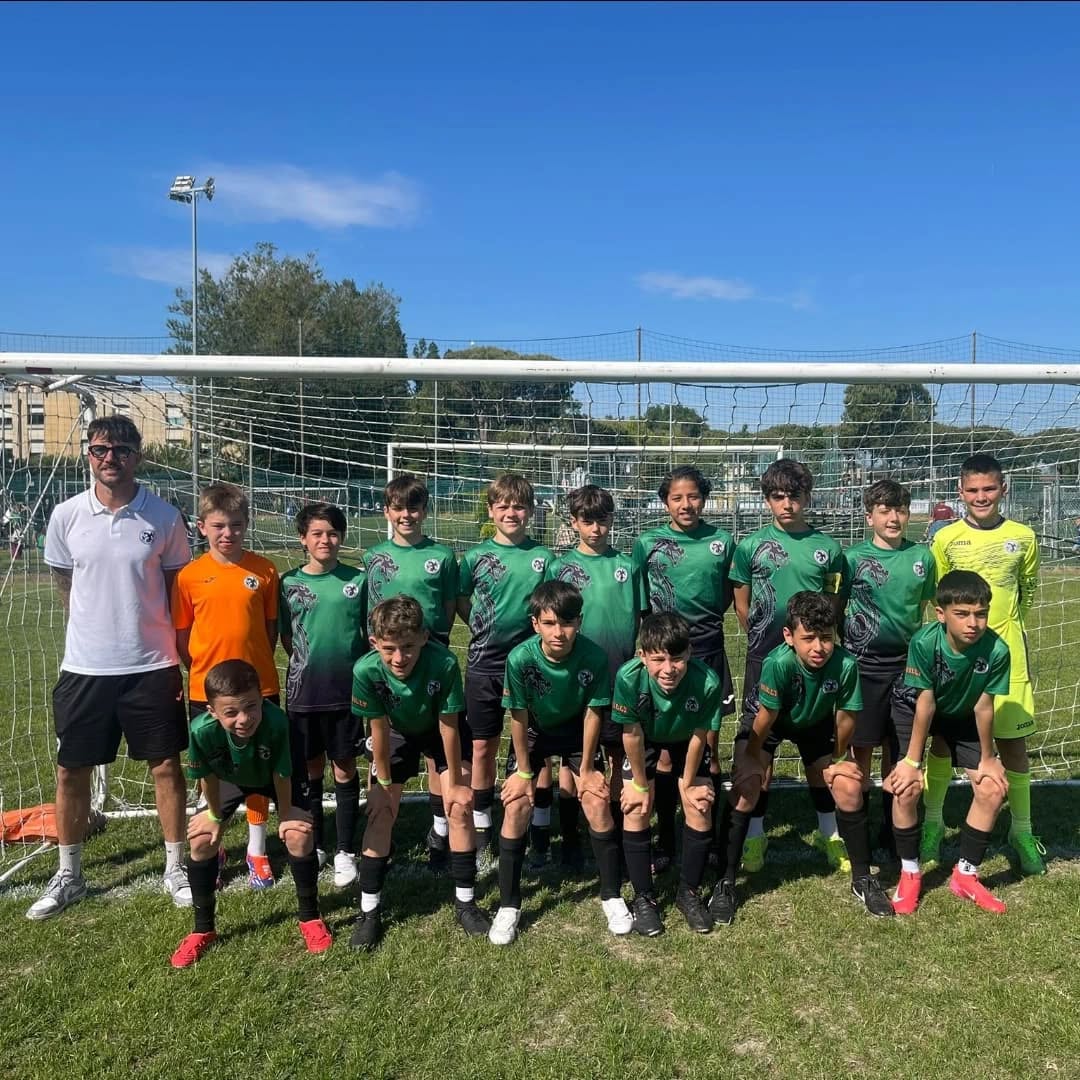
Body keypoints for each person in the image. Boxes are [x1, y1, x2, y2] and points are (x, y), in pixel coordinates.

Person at [27, 415, 192, 920]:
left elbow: (176, 589)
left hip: (152, 664)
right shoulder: (66, 515)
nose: (110, 458)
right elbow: (64, 581)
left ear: (138, 455)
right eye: (100, 449)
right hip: (85, 667)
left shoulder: (164, 517)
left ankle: (176, 866)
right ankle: (70, 873)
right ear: (88, 455)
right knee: (70, 770)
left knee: (165, 766)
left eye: (120, 449)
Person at [717, 592, 886, 925]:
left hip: (815, 723)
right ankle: (725, 882)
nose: (819, 647)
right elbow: (767, 715)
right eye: (808, 638)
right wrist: (751, 757)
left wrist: (839, 758)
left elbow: (847, 716)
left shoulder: (845, 664)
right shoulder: (778, 663)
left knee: (849, 785)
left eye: (826, 638)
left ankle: (863, 878)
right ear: (789, 636)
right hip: (768, 724)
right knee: (747, 784)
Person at [489, 581, 631, 945]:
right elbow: (518, 716)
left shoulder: (594, 657)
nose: (559, 632)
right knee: (517, 805)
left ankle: (612, 896)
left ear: (579, 621)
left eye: (567, 623)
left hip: (575, 730)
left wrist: (587, 769)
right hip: (534, 731)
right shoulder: (520, 659)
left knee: (597, 801)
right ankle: (509, 905)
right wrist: (523, 772)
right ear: (535, 623)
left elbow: (593, 714)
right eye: (550, 623)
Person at [925, 454, 1043, 875]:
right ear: (960, 492)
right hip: (956, 658)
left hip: (1006, 653)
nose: (981, 497)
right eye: (973, 490)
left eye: (989, 489)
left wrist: (1005, 631)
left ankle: (1022, 830)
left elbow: (1027, 591)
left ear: (1003, 489)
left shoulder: (1024, 537)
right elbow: (939, 594)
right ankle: (933, 824)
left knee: (1012, 744)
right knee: (943, 741)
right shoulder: (945, 539)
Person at [170, 660, 331, 966]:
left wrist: (286, 814)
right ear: (212, 711)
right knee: (201, 840)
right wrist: (214, 816)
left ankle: (310, 917)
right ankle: (203, 929)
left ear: (262, 699)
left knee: (298, 835)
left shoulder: (277, 722)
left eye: (251, 707)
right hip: (230, 776)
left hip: (275, 777)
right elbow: (207, 776)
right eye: (231, 712)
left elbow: (282, 773)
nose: (244, 718)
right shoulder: (201, 731)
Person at [729, 458, 847, 873]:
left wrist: (811, 642)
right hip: (764, 658)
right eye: (778, 497)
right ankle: (755, 837)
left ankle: (830, 833)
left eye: (794, 496)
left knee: (819, 754)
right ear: (767, 500)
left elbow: (834, 602)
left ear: (807, 498)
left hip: (813, 664)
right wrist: (765, 637)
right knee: (759, 748)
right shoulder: (750, 547)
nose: (787, 504)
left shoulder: (829, 549)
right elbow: (741, 604)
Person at [350, 596, 488, 949]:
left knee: (459, 808)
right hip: (396, 731)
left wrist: (456, 783)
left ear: (424, 637)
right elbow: (378, 729)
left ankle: (466, 903)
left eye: (408, 647)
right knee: (381, 812)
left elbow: (449, 726)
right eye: (390, 649)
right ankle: (369, 912)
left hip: (442, 731)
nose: (399, 658)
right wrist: (382, 783)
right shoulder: (365, 671)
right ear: (374, 643)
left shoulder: (443, 663)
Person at [171, 482, 282, 889]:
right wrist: (204, 674)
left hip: (259, 688)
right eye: (218, 526)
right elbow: (183, 637)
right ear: (202, 527)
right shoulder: (188, 576)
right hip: (207, 693)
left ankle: (257, 850)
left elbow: (269, 630)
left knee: (259, 769)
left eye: (236, 524)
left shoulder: (264, 570)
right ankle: (215, 844)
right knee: (212, 771)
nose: (228, 533)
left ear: (247, 524)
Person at [885, 570, 1012, 913]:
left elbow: (984, 706)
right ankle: (910, 873)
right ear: (941, 614)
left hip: (962, 711)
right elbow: (925, 702)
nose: (973, 623)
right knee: (907, 787)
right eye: (962, 614)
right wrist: (912, 763)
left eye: (981, 614)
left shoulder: (997, 650)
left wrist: (988, 757)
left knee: (992, 788)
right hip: (913, 707)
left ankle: (965, 876)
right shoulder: (925, 643)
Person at [631, 465, 735, 871]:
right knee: (664, 753)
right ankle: (665, 839)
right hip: (665, 652)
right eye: (677, 497)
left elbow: (727, 594)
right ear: (665, 503)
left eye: (693, 496)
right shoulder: (647, 543)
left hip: (707, 649)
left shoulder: (721, 541)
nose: (686, 504)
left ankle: (709, 837)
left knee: (708, 747)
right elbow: (641, 603)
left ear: (704, 499)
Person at [457, 474, 554, 873]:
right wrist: (480, 626)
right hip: (485, 663)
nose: (511, 513)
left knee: (533, 746)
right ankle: (482, 831)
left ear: (530, 511)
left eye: (519, 506)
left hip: (531, 665)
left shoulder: (544, 558)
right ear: (491, 510)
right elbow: (461, 599)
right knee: (483, 746)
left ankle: (539, 830)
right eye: (503, 506)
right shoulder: (474, 557)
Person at [364, 474, 460, 872]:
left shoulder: (442, 555)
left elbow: (449, 606)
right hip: (390, 664)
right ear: (387, 511)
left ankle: (440, 831)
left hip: (430, 657)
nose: (407, 515)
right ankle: (381, 829)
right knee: (386, 742)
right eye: (399, 508)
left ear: (425, 511)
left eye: (414, 507)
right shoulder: (373, 556)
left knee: (438, 748)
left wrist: (431, 642)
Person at [545, 485, 643, 870]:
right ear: (574, 523)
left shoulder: (628, 566)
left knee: (617, 752)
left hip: (618, 672)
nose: (596, 528)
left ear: (612, 521)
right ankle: (571, 838)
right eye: (587, 521)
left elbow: (641, 617)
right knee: (573, 758)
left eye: (602, 520)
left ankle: (613, 832)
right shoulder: (560, 568)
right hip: (575, 676)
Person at [841, 480, 936, 858]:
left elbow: (925, 607)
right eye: (884, 511)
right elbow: (838, 606)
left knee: (898, 751)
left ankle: (892, 829)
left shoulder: (922, 558)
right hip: (863, 666)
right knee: (861, 750)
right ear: (870, 518)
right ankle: (858, 829)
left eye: (900, 510)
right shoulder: (851, 559)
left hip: (906, 667)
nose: (893, 518)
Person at [613, 612, 723, 936]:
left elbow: (700, 736)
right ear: (642, 656)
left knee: (700, 803)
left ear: (689, 652)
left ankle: (688, 893)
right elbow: (632, 735)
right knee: (636, 806)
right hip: (645, 738)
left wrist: (688, 784)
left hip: (686, 740)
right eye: (658, 659)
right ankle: (644, 898)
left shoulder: (707, 682)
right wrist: (639, 785)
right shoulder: (628, 678)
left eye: (676, 658)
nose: (668, 668)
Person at [279, 502, 367, 887]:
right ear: (303, 539)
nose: (325, 540)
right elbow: (287, 637)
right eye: (316, 533)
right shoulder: (288, 583)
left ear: (342, 537)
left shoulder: (358, 581)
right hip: (304, 691)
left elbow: (367, 632)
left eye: (332, 533)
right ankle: (315, 843)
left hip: (346, 692)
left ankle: (346, 850)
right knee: (310, 768)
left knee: (344, 767)